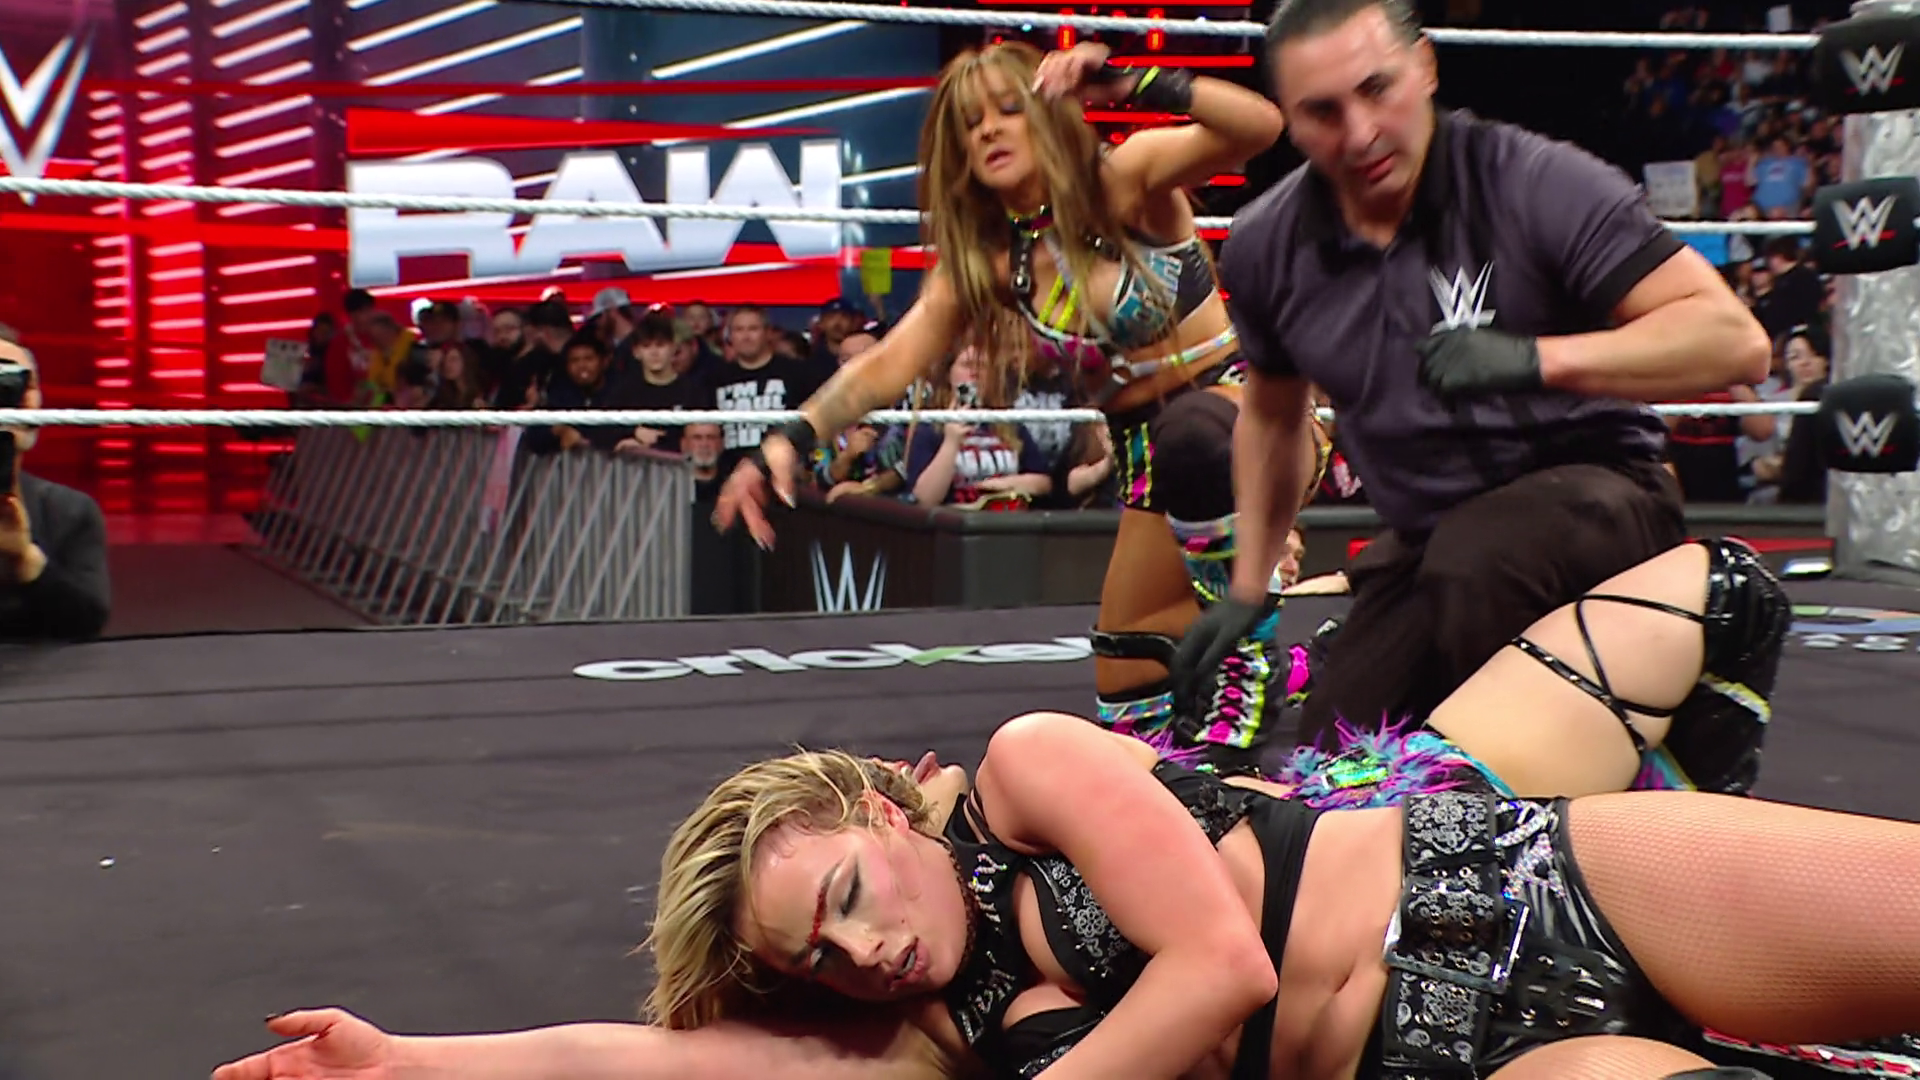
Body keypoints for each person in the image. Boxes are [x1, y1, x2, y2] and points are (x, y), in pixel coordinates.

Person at [212, 537, 1920, 1080]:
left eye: (846, 899)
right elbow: (642, 1062)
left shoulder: (1031, 763)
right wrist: (413, 1062)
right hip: (1449, 1062)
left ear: (883, 806)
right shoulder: (930, 1029)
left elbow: (1222, 970)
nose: (864, 954)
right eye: (821, 962)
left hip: (1540, 880)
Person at [1179, 0, 1774, 794]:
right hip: (1427, 537)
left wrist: (1538, 360)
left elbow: (1734, 341)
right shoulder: (1268, 244)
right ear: (1289, 118)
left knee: (1480, 568)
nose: (1360, 133)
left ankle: (1632, 779)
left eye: (1377, 89)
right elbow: (1273, 415)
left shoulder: (1533, 180)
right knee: (1332, 769)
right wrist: (1249, 589)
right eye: (1323, 112)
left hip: (1603, 498)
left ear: (1425, 67)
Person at [714, 39, 1330, 776]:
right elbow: (886, 364)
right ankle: (1313, 666)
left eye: (1009, 110)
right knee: (1131, 691)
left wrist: (1126, 82)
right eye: (972, 124)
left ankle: (1250, 659)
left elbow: (1258, 126)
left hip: (1249, 417)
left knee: (1192, 438)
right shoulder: (991, 263)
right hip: (1147, 462)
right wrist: (787, 438)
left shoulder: (1125, 180)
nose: (990, 131)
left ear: (1047, 115)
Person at [0, 332, 110, 643]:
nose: (16, 396)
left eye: (24, 382)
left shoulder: (71, 511)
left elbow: (87, 622)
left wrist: (25, 560)